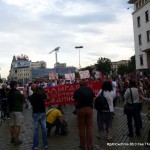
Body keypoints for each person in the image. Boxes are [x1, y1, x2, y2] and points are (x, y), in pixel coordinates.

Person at [73, 81, 95, 150]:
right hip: (89, 109)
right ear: (86, 84)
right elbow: (94, 99)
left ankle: (82, 145)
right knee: (89, 128)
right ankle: (89, 145)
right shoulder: (90, 89)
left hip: (80, 109)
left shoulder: (77, 90)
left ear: (80, 85)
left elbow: (75, 100)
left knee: (81, 128)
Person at [29, 84, 48, 150]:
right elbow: (48, 98)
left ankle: (35, 146)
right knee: (44, 129)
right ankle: (45, 144)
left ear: (31, 90)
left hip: (35, 113)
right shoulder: (42, 95)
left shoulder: (31, 97)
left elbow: (26, 98)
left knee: (35, 130)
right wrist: (44, 92)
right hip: (42, 112)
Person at [7, 81, 26, 145]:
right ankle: (16, 140)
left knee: (12, 125)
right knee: (17, 125)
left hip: (11, 110)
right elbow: (24, 99)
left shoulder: (8, 92)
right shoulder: (17, 93)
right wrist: (24, 92)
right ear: (15, 85)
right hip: (17, 110)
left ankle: (12, 138)